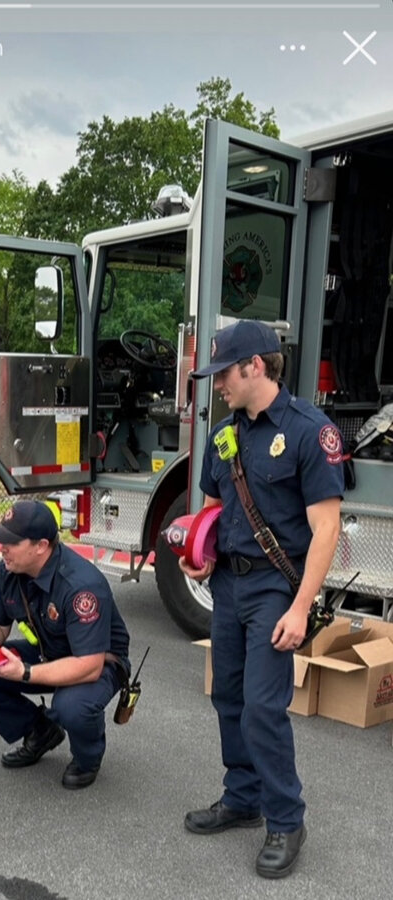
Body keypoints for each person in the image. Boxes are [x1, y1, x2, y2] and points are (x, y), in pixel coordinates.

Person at [181, 320, 344, 879]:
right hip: (227, 583)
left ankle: (285, 817)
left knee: (262, 707)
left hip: (277, 587)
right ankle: (243, 797)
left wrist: (300, 607)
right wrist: (197, 553)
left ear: (255, 366)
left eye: (223, 373)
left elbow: (326, 529)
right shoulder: (223, 435)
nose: (217, 385)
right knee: (227, 695)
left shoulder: (307, 430)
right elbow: (209, 510)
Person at [0, 500, 131, 790]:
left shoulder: (81, 587)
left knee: (71, 706)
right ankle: (39, 730)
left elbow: (89, 667)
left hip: (98, 662)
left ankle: (87, 758)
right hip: (49, 652)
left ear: (41, 546)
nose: (1, 547)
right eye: (0, 539)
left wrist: (25, 672)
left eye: (10, 541)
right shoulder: (9, 571)